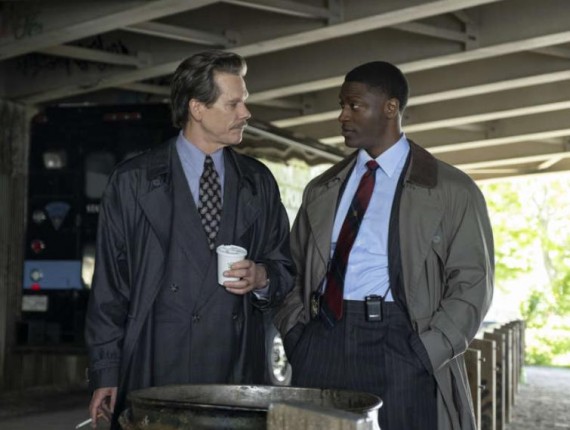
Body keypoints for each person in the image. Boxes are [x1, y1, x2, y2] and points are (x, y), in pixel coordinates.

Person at [274, 61, 494, 430]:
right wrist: (298, 336)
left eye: (354, 105)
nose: (343, 116)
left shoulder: (452, 189)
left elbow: (473, 283)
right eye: (341, 105)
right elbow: (291, 268)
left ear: (390, 108)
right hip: (322, 340)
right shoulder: (322, 188)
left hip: (403, 345)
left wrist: (427, 351)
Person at [85, 50, 294, 429]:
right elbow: (109, 287)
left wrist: (262, 277)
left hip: (235, 372)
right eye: (233, 103)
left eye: (244, 101)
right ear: (197, 108)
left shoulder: (258, 181)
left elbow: (287, 269)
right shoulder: (132, 181)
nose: (246, 112)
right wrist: (106, 371)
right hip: (154, 365)